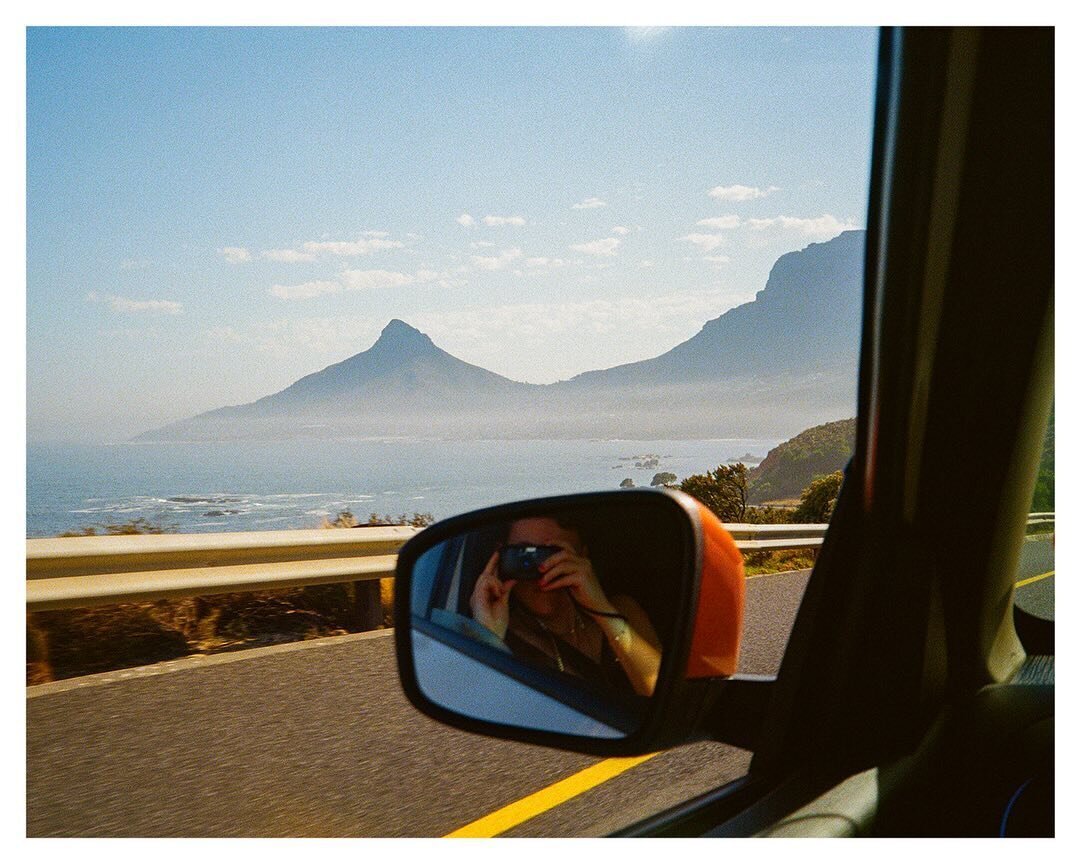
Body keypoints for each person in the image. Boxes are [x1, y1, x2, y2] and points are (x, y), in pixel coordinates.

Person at [469, 516, 662, 697]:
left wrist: (603, 611)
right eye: (524, 556)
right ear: (500, 559)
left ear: (583, 558)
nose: (541, 569)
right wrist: (488, 637)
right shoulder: (504, 638)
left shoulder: (622, 610)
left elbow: (663, 695)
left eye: (554, 554)